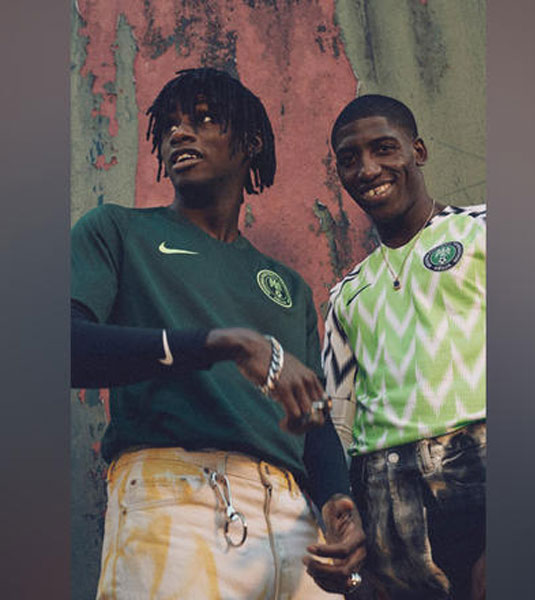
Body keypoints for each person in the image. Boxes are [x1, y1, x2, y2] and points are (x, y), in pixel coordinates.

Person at [71, 68, 366, 599]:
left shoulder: (289, 287)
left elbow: (314, 413)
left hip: (297, 521)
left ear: (251, 143)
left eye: (204, 119)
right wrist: (219, 344)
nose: (180, 132)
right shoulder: (117, 230)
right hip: (176, 497)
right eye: (170, 125)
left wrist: (336, 499)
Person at [322, 95, 486, 600]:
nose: (367, 169)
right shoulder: (346, 293)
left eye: (383, 148)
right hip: (387, 505)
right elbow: (337, 422)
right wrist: (346, 517)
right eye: (349, 159)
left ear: (418, 151)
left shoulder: (482, 230)